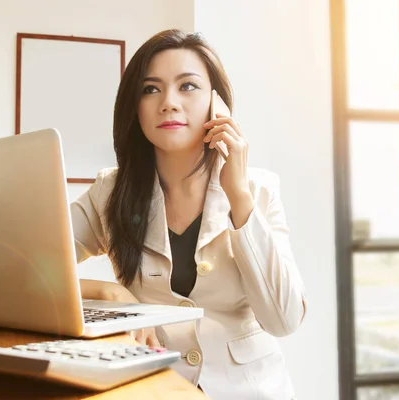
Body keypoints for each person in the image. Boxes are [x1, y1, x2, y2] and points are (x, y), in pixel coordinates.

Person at [71, 29, 306, 400]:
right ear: (135, 107)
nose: (168, 102)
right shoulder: (110, 192)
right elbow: (28, 266)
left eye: (188, 86)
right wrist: (111, 295)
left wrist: (238, 195)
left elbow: (284, 319)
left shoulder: (258, 191)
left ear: (218, 105)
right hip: (154, 389)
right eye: (151, 89)